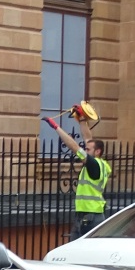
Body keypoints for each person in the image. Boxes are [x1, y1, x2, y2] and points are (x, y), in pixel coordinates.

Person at [43, 100, 110, 239]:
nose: (86, 150)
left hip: (89, 216)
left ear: (97, 152)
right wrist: (82, 120)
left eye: (88, 149)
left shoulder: (93, 164)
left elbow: (73, 146)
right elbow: (88, 139)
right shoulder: (101, 163)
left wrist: (56, 127)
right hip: (89, 215)